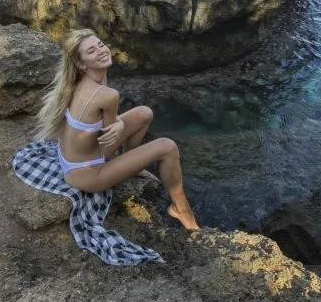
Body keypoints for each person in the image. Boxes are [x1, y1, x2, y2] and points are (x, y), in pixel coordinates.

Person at [33, 28, 199, 231]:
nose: (102, 51)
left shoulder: (81, 80)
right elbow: (110, 135)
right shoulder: (106, 95)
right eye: (92, 51)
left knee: (144, 113)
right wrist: (118, 124)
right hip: (87, 173)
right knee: (168, 147)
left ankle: (133, 166)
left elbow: (106, 131)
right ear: (80, 63)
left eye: (101, 45)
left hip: (72, 157)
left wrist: (117, 125)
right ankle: (181, 209)